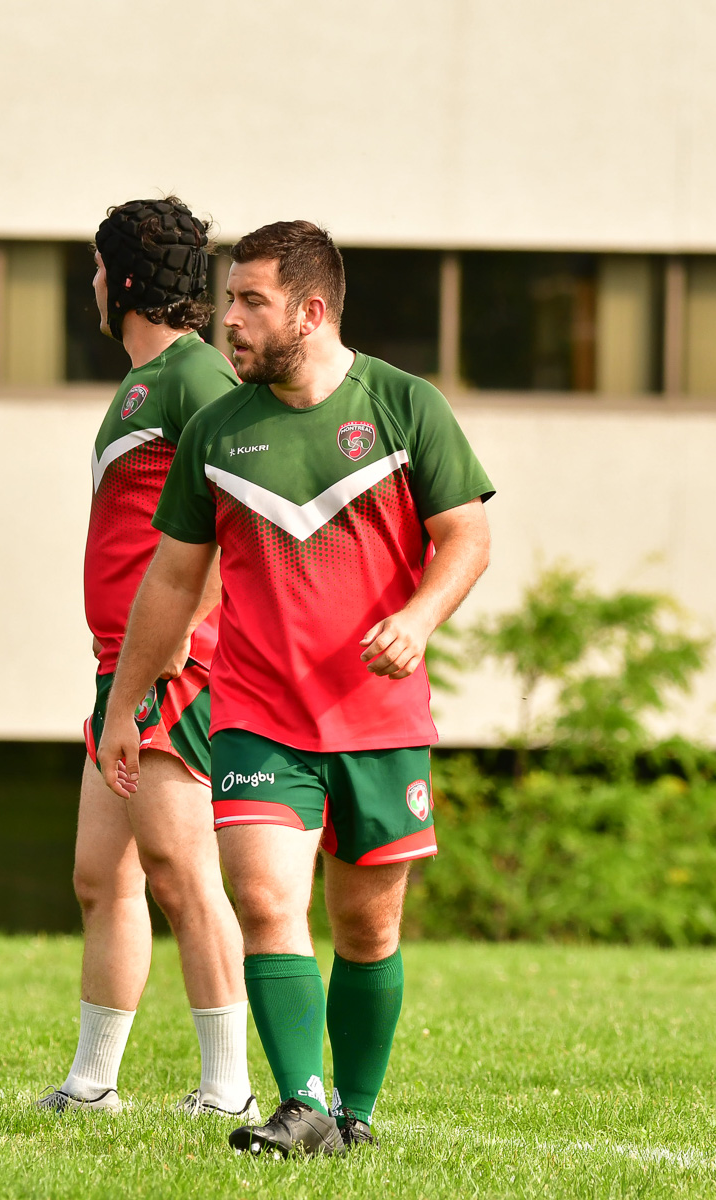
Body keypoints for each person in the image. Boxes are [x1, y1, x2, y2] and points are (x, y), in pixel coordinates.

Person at [98, 221, 493, 1155]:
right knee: (269, 900)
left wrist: (420, 619)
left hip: (378, 717)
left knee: (366, 924)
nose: (228, 319)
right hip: (258, 717)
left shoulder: (403, 406)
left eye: (250, 302)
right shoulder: (217, 432)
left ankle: (353, 1115)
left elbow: (467, 537)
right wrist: (123, 702)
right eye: (230, 298)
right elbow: (171, 581)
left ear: (311, 312)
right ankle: (302, 1101)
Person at [35, 198, 255, 1118]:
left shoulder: (196, 375)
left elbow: (235, 509)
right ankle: (92, 1085)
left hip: (172, 666)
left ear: (122, 279)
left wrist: (176, 650)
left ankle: (228, 1090)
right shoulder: (144, 381)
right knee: (103, 875)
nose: (90, 284)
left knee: (178, 869)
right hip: (119, 669)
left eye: (95, 268)